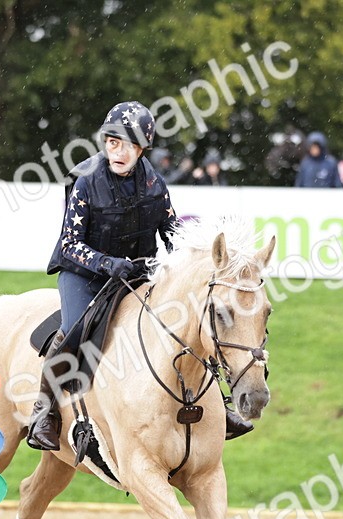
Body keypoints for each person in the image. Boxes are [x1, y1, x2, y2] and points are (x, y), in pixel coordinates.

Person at [26, 100, 253, 451]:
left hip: (134, 274)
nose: (119, 151)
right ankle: (46, 411)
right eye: (113, 142)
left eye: (129, 145)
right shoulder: (85, 181)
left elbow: (173, 233)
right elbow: (68, 243)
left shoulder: (155, 184)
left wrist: (193, 265)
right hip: (83, 274)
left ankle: (218, 405)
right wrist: (105, 263)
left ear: (142, 148)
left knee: (191, 323)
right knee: (76, 329)